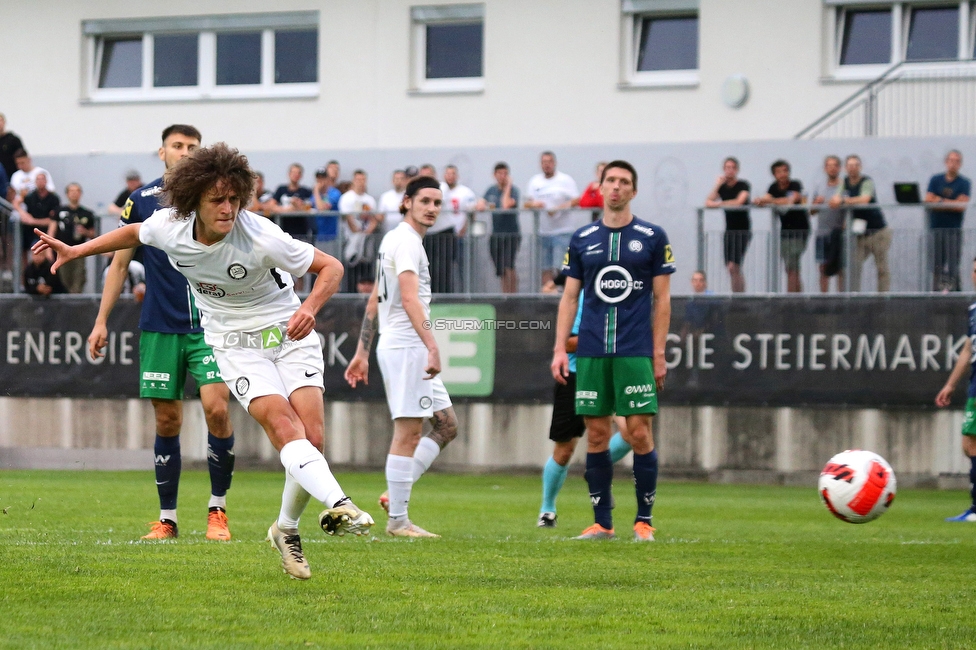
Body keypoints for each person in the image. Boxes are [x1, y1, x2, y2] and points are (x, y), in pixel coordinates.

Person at [35, 142, 374, 580]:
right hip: (234, 343)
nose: (228, 208)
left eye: (235, 198)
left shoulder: (261, 235)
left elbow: (331, 268)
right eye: (218, 199)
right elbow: (134, 233)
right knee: (284, 427)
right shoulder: (170, 226)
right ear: (194, 199)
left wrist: (309, 307)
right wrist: (78, 251)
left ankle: (285, 529)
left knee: (313, 439)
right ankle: (341, 503)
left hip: (289, 332)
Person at [90, 125, 235, 542]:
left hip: (210, 325)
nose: (185, 153)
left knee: (217, 408)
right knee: (168, 419)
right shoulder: (142, 201)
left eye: (193, 147)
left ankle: (217, 511)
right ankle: (167, 519)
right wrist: (101, 321)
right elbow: (119, 265)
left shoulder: (216, 196)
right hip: (159, 325)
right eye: (178, 146)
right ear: (162, 152)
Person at [551, 160, 675, 542]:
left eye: (624, 182)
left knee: (639, 433)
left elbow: (663, 299)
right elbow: (569, 297)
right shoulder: (582, 238)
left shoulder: (653, 236)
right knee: (597, 436)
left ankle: (644, 521)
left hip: (634, 350)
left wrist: (658, 353)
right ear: (600, 187)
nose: (617, 187)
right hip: (590, 351)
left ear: (633, 191)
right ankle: (603, 523)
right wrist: (559, 349)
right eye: (611, 181)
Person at [344, 176, 459, 538]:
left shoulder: (394, 240)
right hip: (408, 346)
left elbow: (375, 298)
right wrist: (433, 345)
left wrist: (362, 351)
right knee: (408, 431)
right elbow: (409, 299)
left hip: (402, 344)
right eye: (425, 200)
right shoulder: (406, 242)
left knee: (447, 425)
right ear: (406, 201)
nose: (432, 208)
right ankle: (398, 520)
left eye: (437, 203)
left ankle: (397, 493)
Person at [538, 270, 631, 527]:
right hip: (577, 376)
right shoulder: (580, 300)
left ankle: (594, 470)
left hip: (609, 375)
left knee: (631, 432)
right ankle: (547, 509)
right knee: (565, 449)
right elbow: (567, 343)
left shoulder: (621, 301)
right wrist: (603, 338)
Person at [935, 257, 976, 522]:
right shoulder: (973, 309)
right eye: (975, 269)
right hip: (974, 383)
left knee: (971, 443)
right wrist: (950, 384)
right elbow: (968, 347)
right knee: (968, 444)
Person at [829, 155, 891, 292]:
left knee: (882, 268)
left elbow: (865, 199)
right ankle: (854, 297)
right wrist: (837, 200)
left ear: (860, 167)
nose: (853, 168)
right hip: (860, 233)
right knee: (853, 266)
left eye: (856, 165)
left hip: (878, 231)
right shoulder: (844, 182)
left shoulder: (867, 181)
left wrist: (844, 201)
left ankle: (883, 299)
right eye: (850, 165)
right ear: (846, 168)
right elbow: (835, 199)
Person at [525, 151, 580, 288]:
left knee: (561, 266)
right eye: (544, 162)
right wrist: (534, 204)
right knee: (545, 266)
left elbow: (576, 200)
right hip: (543, 232)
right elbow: (526, 203)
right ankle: (547, 295)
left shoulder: (565, 180)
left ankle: (563, 296)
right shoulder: (535, 181)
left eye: (549, 162)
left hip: (562, 231)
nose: (547, 165)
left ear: (554, 163)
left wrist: (559, 208)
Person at [754, 160, 808, 293]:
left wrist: (771, 201)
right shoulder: (773, 187)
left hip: (800, 230)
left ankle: (791, 298)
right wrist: (760, 200)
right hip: (785, 232)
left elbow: (792, 199)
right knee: (790, 267)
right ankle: (796, 296)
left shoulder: (795, 184)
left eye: (785, 171)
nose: (783, 174)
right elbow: (765, 199)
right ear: (774, 174)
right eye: (779, 172)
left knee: (793, 264)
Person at [925, 150, 971, 292]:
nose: (953, 164)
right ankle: (936, 297)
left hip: (953, 231)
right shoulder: (935, 180)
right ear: (946, 162)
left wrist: (938, 201)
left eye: (957, 161)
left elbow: (960, 206)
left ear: (960, 164)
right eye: (951, 160)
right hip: (936, 230)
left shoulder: (964, 183)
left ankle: (956, 298)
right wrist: (949, 203)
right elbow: (928, 200)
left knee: (953, 266)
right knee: (936, 266)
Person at [704, 157, 750, 293]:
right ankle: (737, 296)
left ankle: (739, 297)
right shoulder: (722, 187)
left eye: (732, 168)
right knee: (730, 267)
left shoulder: (743, 185)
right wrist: (718, 184)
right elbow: (708, 201)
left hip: (742, 230)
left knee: (734, 266)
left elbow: (739, 202)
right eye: (727, 168)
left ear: (737, 170)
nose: (730, 170)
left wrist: (718, 204)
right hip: (729, 230)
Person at [480, 162, 521, 294]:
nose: (502, 176)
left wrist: (508, 186)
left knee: (509, 265)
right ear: (494, 175)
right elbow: (481, 203)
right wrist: (479, 204)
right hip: (496, 234)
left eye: (505, 174)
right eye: (500, 174)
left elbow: (505, 205)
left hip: (511, 234)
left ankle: (513, 295)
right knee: (501, 268)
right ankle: (505, 295)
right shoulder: (491, 190)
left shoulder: (513, 190)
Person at [48, 182, 96, 293]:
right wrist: (48, 250)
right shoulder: (59, 211)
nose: (74, 194)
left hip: (79, 252)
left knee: (78, 279)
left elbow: (93, 235)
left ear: (81, 194)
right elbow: (52, 231)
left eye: (77, 191)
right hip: (61, 251)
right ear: (67, 194)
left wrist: (85, 232)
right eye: (72, 191)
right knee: (62, 279)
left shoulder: (87, 213)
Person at [338, 170, 378, 292]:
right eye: (358, 180)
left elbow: (374, 218)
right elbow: (348, 217)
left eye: (363, 180)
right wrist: (357, 232)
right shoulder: (346, 198)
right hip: (350, 239)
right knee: (351, 268)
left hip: (366, 241)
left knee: (366, 269)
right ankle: (350, 293)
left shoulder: (369, 199)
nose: (361, 183)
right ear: (353, 181)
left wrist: (367, 232)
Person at [811, 156, 845, 293]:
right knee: (823, 268)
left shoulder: (845, 187)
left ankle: (842, 300)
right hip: (822, 233)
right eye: (829, 165)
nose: (832, 168)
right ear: (825, 168)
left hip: (839, 234)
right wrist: (816, 204)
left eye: (835, 165)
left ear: (840, 168)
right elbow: (811, 212)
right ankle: (823, 300)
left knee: (841, 268)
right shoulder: (819, 187)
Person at [273, 163, 313, 241]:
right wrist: (287, 209)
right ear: (289, 174)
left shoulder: (305, 191)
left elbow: (310, 207)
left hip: (301, 232)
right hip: (284, 232)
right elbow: (272, 205)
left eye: (298, 173)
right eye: (294, 172)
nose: (296, 175)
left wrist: (297, 206)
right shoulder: (281, 190)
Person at [377, 169, 407, 235]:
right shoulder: (385, 196)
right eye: (397, 179)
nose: (399, 181)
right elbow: (380, 216)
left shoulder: (409, 197)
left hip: (405, 233)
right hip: (388, 232)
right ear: (393, 181)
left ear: (405, 181)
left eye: (401, 179)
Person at [0, 113, 25, 182]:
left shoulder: (13, 140)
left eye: (0, 121)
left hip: (11, 176)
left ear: (4, 122)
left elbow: (22, 157)